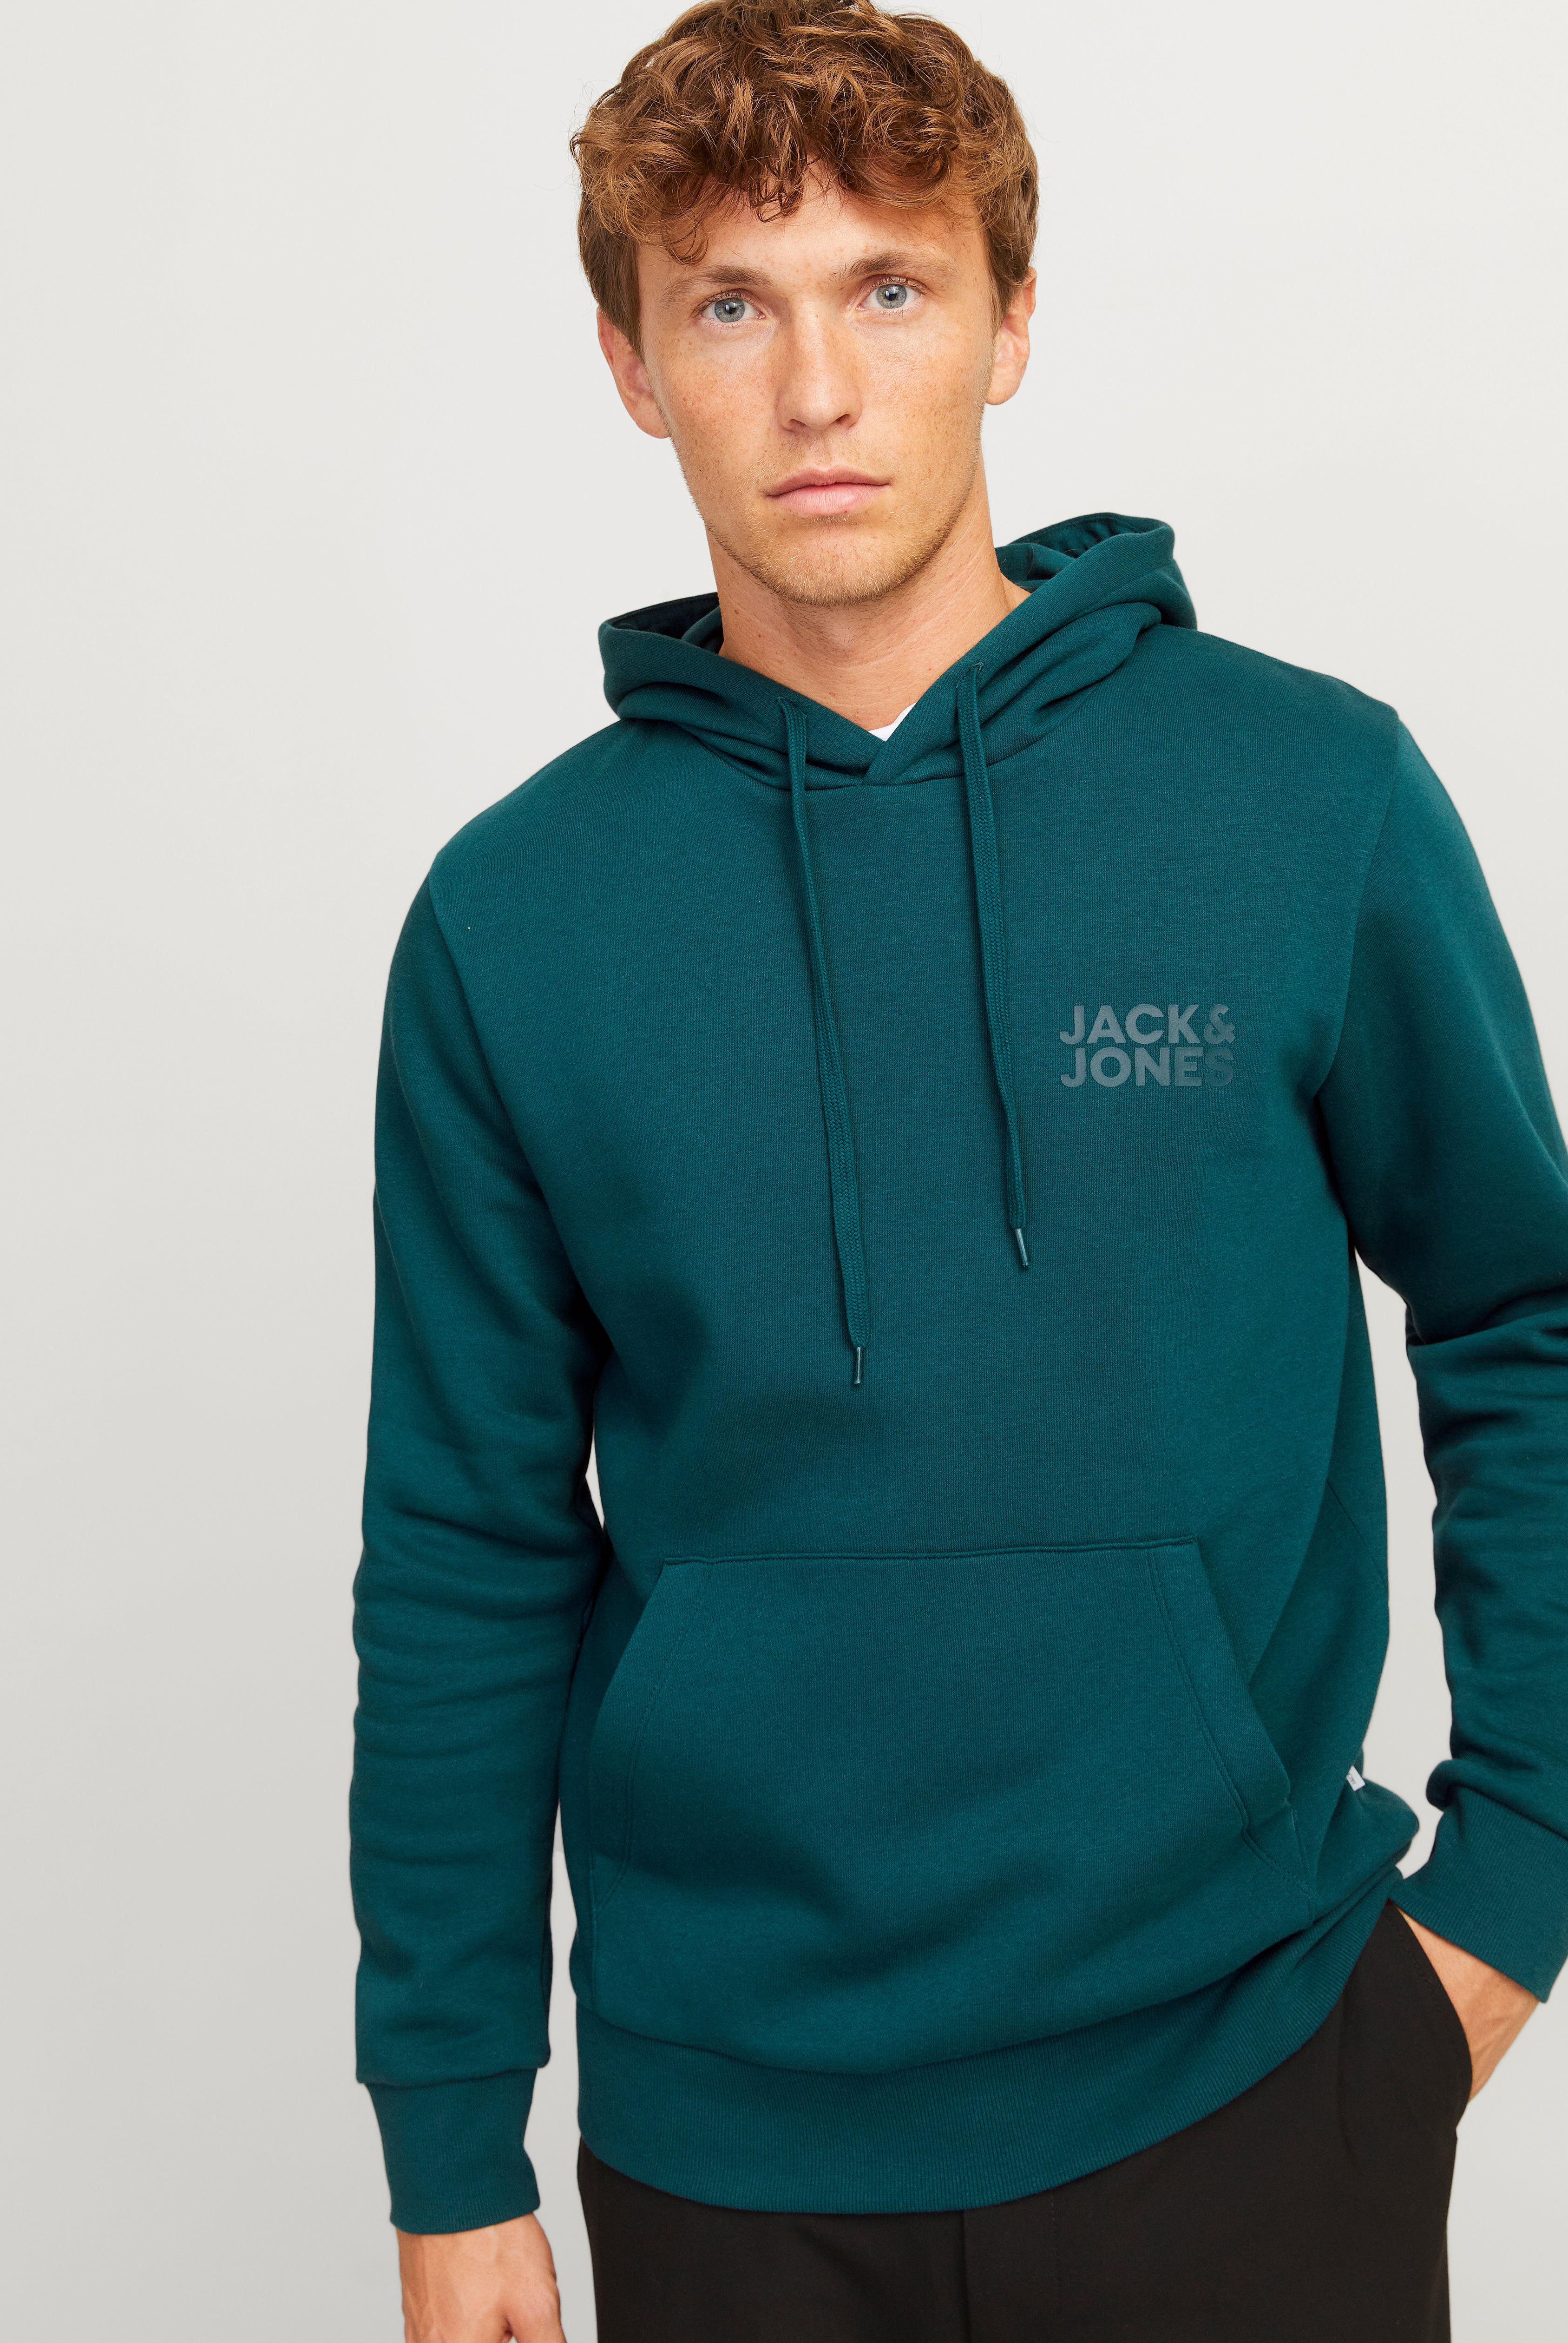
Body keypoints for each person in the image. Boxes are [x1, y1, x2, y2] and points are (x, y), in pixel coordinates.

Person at [351, 4, 1565, 2336]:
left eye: (887, 287)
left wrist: (1514, 1880)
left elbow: (1527, 1313)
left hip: (1253, 2080)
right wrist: (448, 2136)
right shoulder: (513, 922)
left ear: (1011, 324)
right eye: (731, 304)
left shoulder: (1301, 799)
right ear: (630, 363)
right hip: (725, 2153)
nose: (816, 386)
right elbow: (467, 1545)